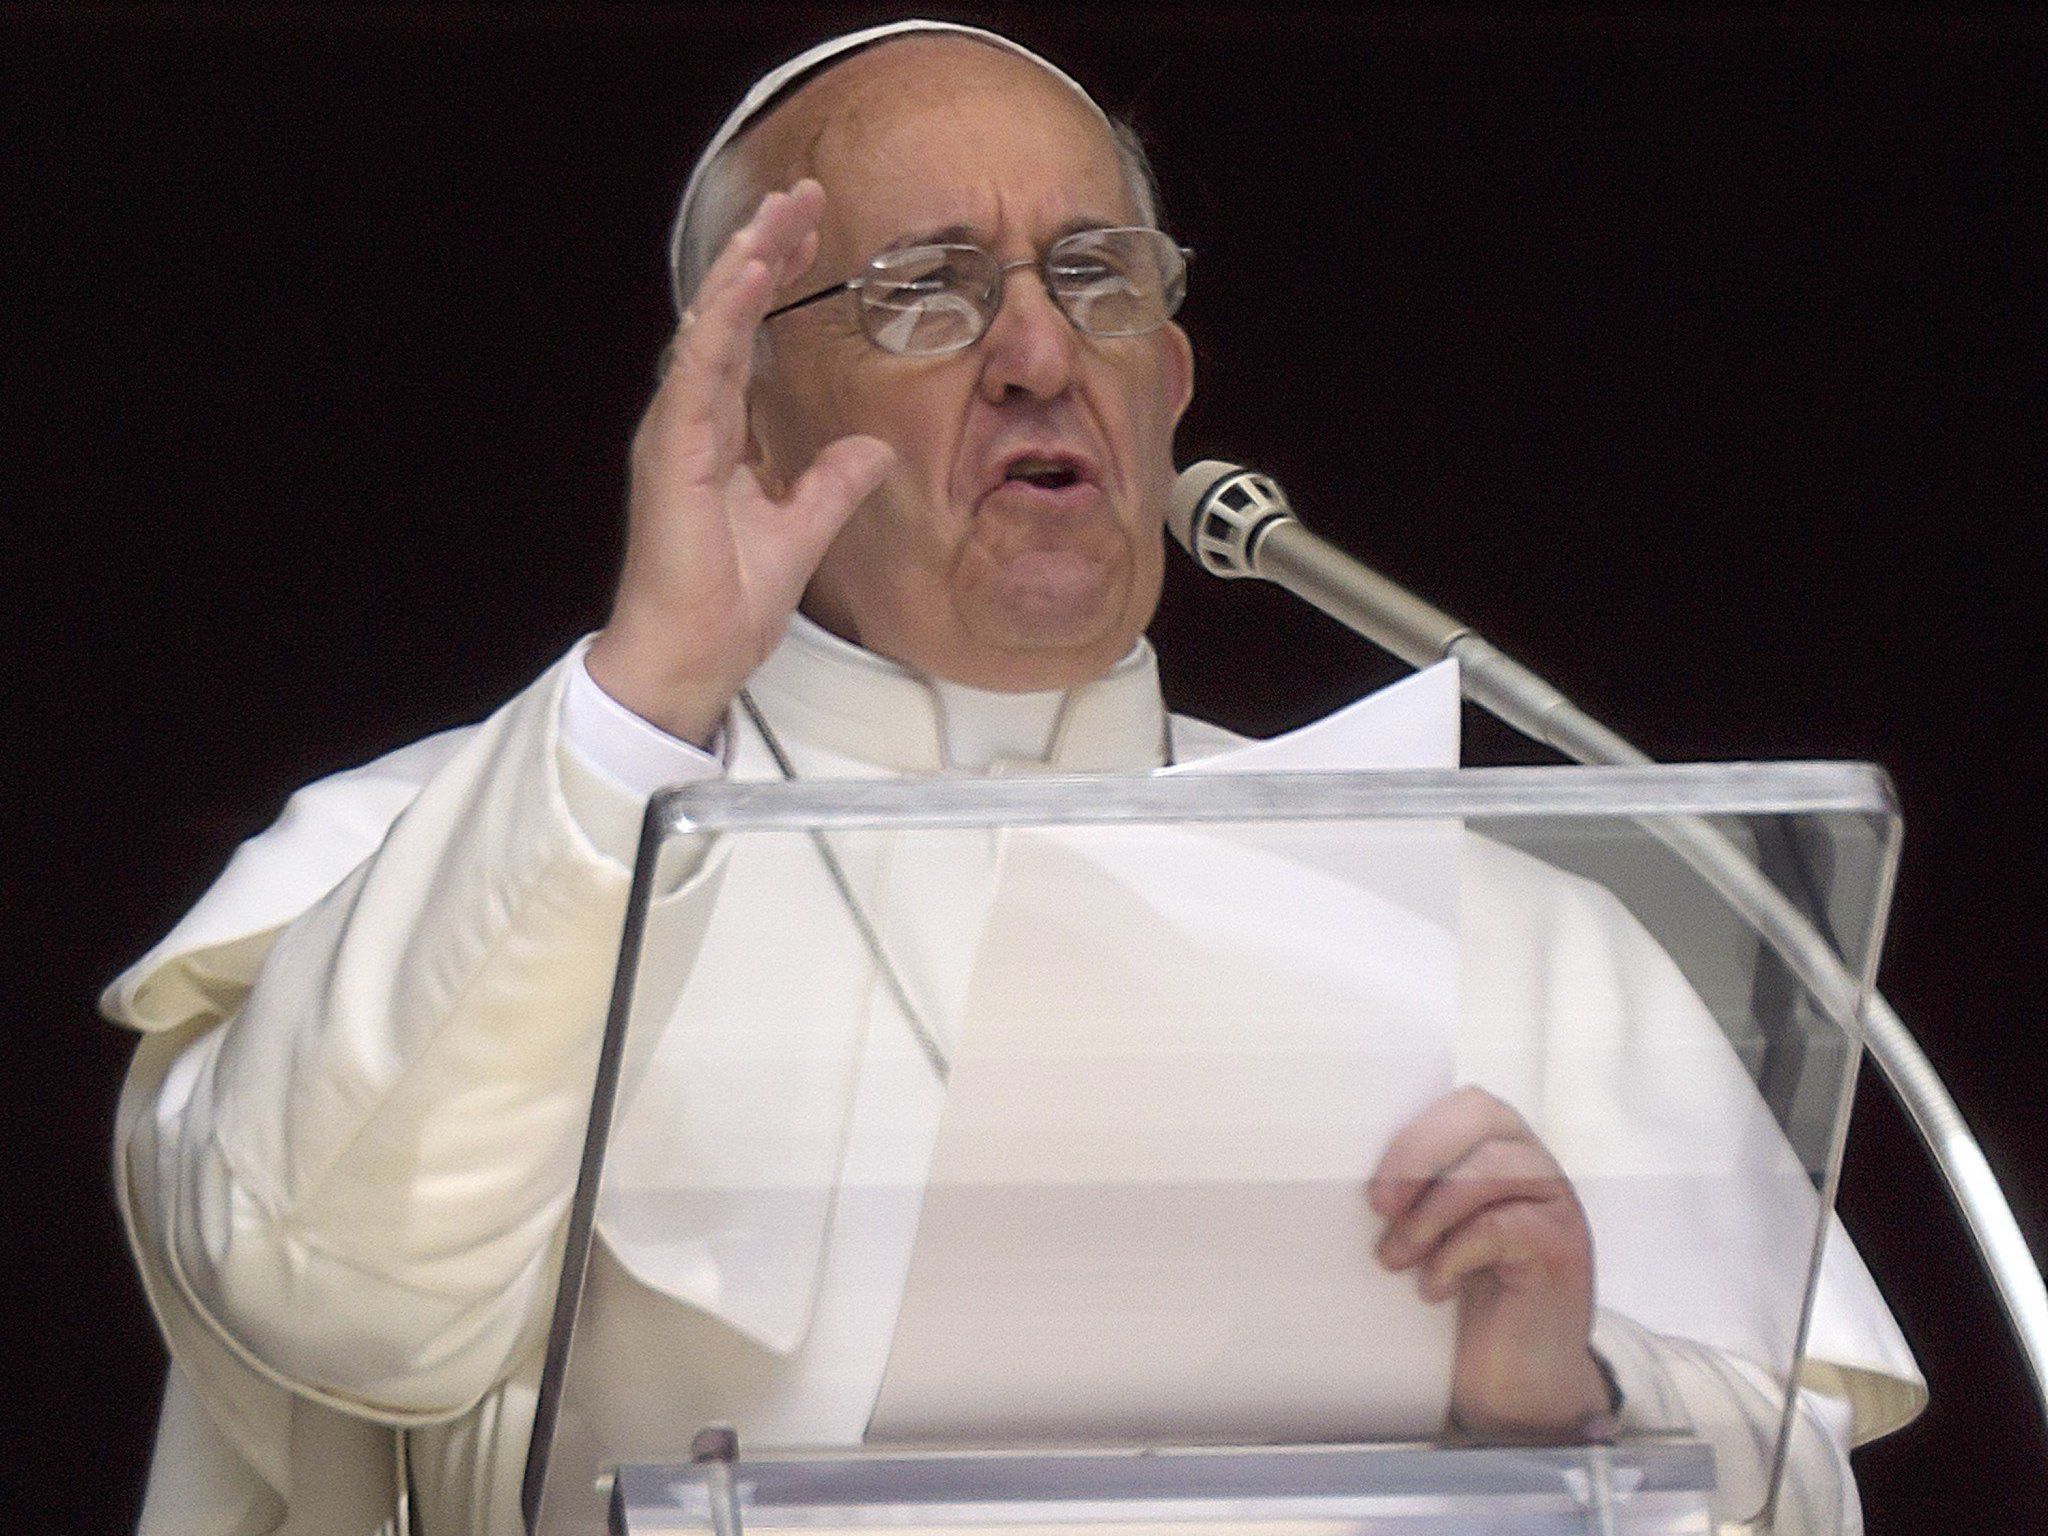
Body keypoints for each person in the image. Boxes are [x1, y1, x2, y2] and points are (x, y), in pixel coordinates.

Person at [104, 21, 1922, 1536]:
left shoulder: (1506, 917)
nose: (1041, 357)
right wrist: (651, 694)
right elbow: (322, 1291)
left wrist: (1570, 1400)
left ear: (1170, 381)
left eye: (1096, 282)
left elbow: (1801, 1488)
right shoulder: (448, 856)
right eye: (927, 295)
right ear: (740, 407)